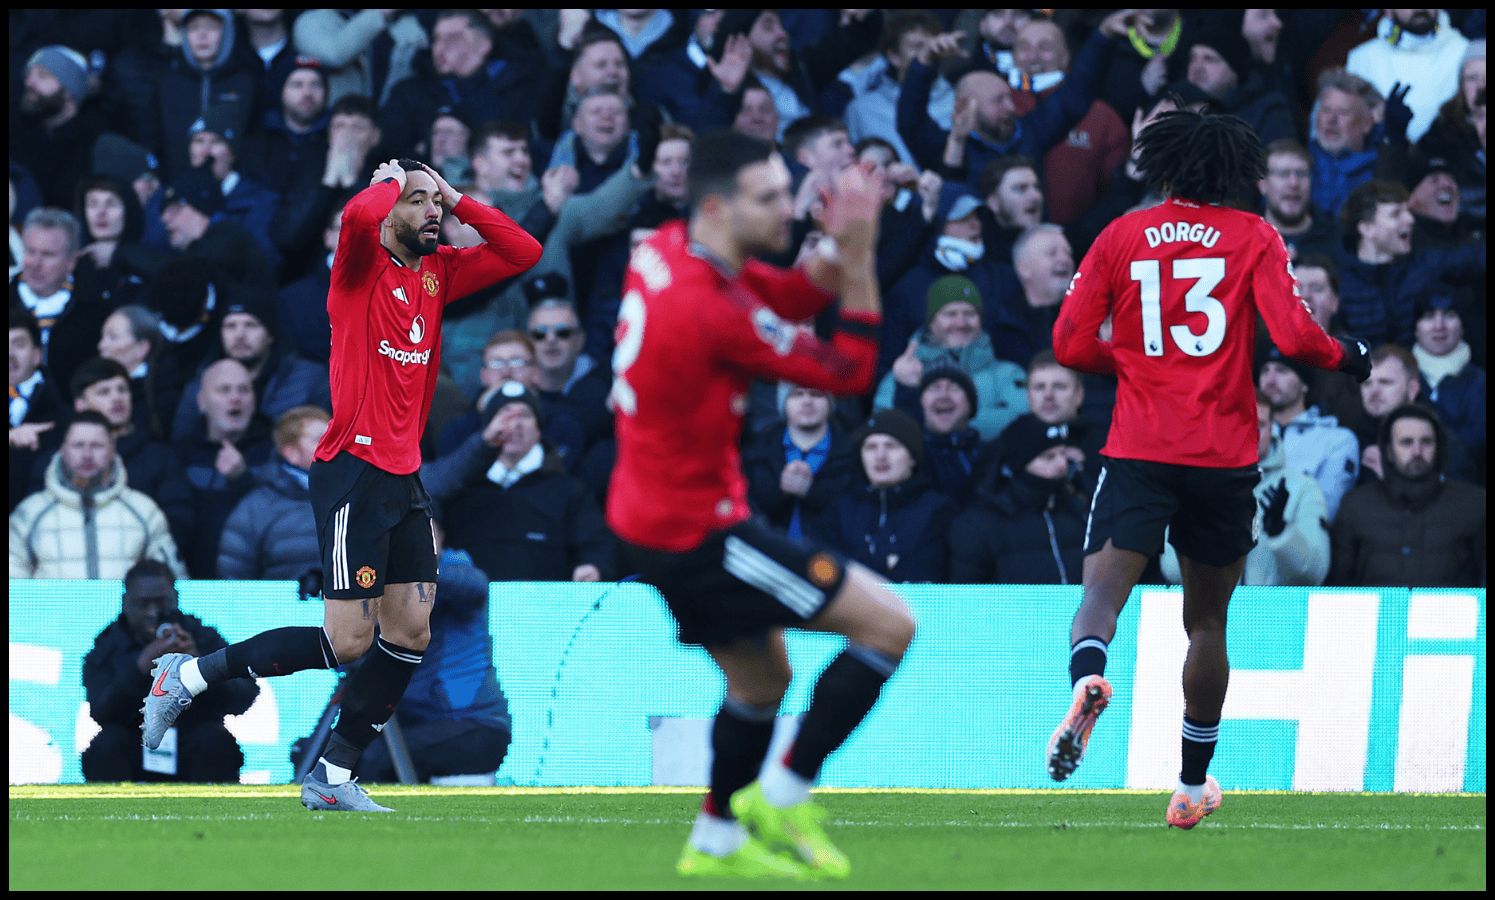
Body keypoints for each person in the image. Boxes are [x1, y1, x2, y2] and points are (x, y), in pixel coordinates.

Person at [140, 157, 540, 813]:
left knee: (410, 632)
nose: (431, 212)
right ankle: (186, 676)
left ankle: (332, 773)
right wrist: (392, 179)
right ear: (389, 211)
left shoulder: (438, 275)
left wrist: (454, 193)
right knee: (347, 642)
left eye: (434, 203)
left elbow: (521, 250)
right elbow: (355, 215)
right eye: (418, 203)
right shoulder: (356, 271)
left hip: (403, 475)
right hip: (353, 472)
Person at [1045, 109, 1370, 828]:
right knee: (1207, 623)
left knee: (1101, 592)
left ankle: (1088, 677)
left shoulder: (1120, 234)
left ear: (1160, 165)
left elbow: (1068, 344)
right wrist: (1352, 356)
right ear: (1232, 170)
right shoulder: (1253, 235)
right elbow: (1294, 337)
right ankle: (1191, 784)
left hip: (1137, 447)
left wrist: (1134, 356)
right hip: (1222, 459)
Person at [608, 130, 914, 879]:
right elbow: (847, 370)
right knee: (888, 627)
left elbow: (779, 293)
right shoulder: (704, 312)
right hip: (698, 533)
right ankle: (780, 793)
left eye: (788, 190)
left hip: (645, 517)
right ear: (718, 205)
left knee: (760, 682)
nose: (789, 207)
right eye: (770, 198)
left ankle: (714, 842)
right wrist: (861, 254)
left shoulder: (670, 249)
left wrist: (827, 252)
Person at [82, 560, 257, 782]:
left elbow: (243, 699)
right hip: (133, 741)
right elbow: (101, 710)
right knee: (106, 746)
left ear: (175, 599)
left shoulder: (203, 637)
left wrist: (200, 667)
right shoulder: (108, 646)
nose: (153, 612)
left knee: (215, 742)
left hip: (193, 739)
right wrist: (141, 667)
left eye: (161, 603)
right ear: (126, 603)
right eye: (143, 604)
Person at [1162, 392, 1330, 586]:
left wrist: (1281, 532)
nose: (1251, 432)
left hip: (1277, 614)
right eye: (1241, 422)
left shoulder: (1303, 488)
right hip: (1209, 613)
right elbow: (1172, 570)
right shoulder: (1192, 486)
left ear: (1271, 430)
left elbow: (1315, 574)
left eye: (1260, 424)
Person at [9, 411, 187, 579]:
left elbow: (172, 583)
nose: (87, 455)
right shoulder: (29, 513)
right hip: (49, 613)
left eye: (97, 445)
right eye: (78, 445)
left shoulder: (144, 510)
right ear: (63, 449)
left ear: (112, 449)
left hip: (126, 613)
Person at [1331, 404, 1485, 586]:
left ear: (1439, 447)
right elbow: (1338, 585)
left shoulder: (1474, 504)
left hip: (1450, 614)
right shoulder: (1356, 505)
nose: (1417, 452)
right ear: (1388, 450)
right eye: (1406, 442)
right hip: (1378, 614)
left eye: (1426, 442)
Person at [810, 407, 958, 583]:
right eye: (871, 447)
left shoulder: (939, 511)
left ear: (912, 458)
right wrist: (885, 563)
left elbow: (927, 575)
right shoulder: (840, 510)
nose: (880, 456)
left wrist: (859, 564)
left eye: (891, 446)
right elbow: (823, 572)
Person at [948, 413, 1090, 584]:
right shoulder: (979, 525)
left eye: (1063, 454)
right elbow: (966, 598)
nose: (1062, 465)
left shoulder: (1081, 512)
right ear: (1019, 463)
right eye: (1049, 457)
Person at [216, 405, 329, 581]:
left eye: (334, 438)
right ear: (291, 453)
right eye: (320, 440)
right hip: (280, 608)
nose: (333, 447)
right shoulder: (256, 508)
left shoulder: (355, 495)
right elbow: (234, 580)